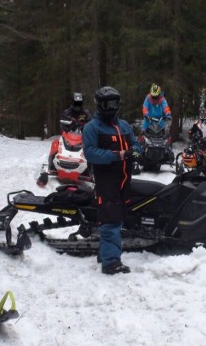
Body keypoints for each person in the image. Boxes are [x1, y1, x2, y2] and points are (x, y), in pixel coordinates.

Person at [83, 86, 142, 275]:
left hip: (124, 179)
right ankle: (110, 262)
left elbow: (135, 144)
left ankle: (105, 252)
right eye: (108, 103)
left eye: (115, 103)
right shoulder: (93, 127)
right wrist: (117, 155)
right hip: (106, 180)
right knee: (111, 219)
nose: (112, 107)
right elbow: (90, 153)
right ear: (100, 105)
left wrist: (135, 151)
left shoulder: (124, 125)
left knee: (120, 215)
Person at [37, 92, 92, 186]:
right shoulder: (67, 112)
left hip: (82, 136)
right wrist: (70, 125)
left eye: (79, 103)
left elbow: (91, 123)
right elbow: (62, 124)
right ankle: (52, 165)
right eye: (76, 103)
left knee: (91, 148)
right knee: (56, 144)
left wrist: (85, 126)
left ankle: (89, 170)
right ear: (72, 102)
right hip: (68, 134)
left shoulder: (86, 113)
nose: (77, 105)